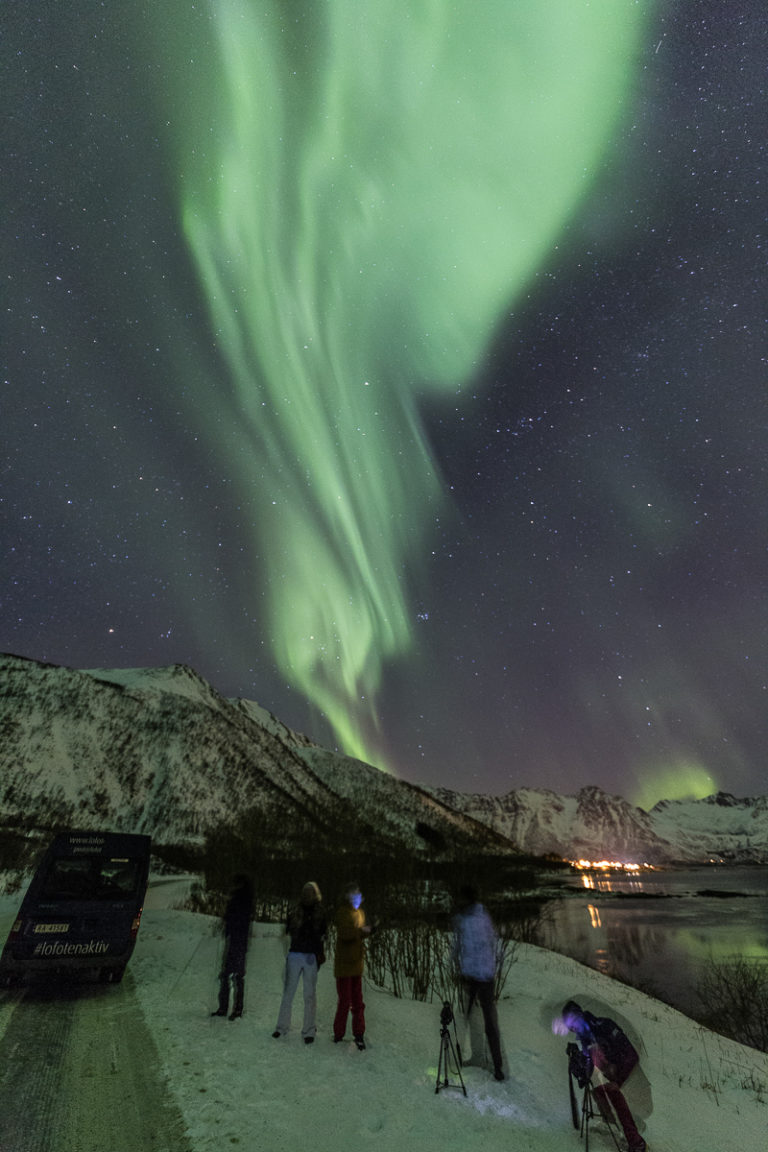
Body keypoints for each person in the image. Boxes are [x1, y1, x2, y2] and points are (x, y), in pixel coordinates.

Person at [561, 1000, 646, 1152]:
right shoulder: (585, 1037)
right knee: (601, 1092)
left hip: (626, 1071)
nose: (573, 1027)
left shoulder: (604, 1026)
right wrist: (577, 1062)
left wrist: (618, 1081)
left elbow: (631, 1055)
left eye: (573, 1021)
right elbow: (590, 1066)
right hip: (610, 1073)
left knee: (614, 1095)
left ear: (580, 1015)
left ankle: (637, 1142)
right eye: (570, 1026)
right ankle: (623, 1133)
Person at [452, 886, 504, 1081]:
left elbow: (460, 945)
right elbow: (492, 941)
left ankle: (492, 1064)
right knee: (481, 1020)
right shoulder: (479, 917)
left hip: (478, 976)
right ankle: (492, 1064)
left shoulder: (468, 919)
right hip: (481, 975)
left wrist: (455, 962)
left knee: (473, 1018)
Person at [272, 881, 327, 1044]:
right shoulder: (295, 911)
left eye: (310, 892)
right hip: (295, 954)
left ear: (315, 894)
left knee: (309, 994)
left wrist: (320, 954)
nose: (306, 894)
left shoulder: (320, 912)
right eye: (305, 891)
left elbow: (323, 934)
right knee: (288, 993)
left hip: (311, 956)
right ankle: (281, 1027)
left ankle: (309, 1030)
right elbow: (287, 931)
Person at [333, 882, 372, 1049]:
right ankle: (339, 1034)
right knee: (345, 1001)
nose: (357, 895)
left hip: (356, 964)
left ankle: (359, 1033)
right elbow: (345, 934)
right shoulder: (342, 912)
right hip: (344, 965)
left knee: (358, 1002)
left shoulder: (360, 913)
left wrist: (368, 932)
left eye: (358, 892)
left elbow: (356, 935)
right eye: (354, 893)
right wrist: (361, 932)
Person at [212, 874, 253, 1020]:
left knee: (236, 976)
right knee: (227, 975)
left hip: (239, 942)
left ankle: (235, 1009)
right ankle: (225, 1008)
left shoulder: (244, 899)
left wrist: (229, 921)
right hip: (234, 940)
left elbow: (240, 921)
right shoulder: (237, 899)